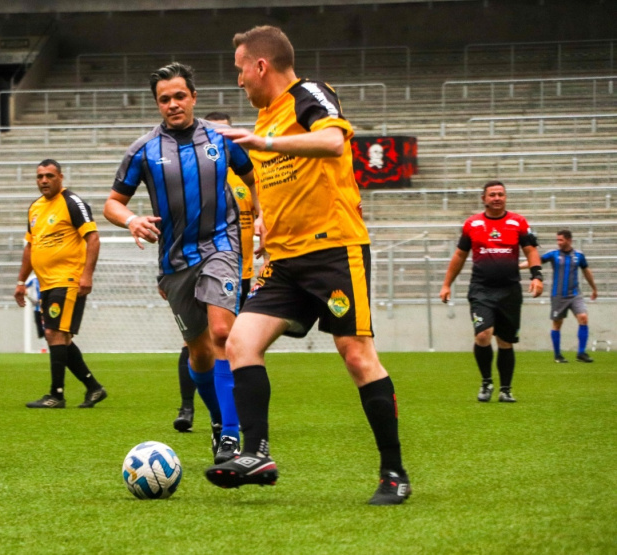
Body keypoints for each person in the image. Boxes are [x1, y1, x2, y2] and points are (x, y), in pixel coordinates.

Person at [203, 25, 411, 506]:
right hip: (284, 262)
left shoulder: (308, 95)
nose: (238, 82)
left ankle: (394, 472)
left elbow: (335, 144)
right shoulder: (264, 119)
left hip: (334, 250)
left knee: (356, 356)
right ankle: (256, 454)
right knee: (239, 342)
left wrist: (264, 144)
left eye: (239, 71)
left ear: (261, 66)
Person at [104, 62, 259, 463]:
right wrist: (132, 219)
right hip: (174, 261)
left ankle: (230, 434)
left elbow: (255, 177)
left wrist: (262, 219)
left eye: (179, 96)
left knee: (223, 333)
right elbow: (112, 203)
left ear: (193, 96)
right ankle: (216, 420)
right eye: (164, 99)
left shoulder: (222, 138)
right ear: (158, 104)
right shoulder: (143, 150)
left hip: (221, 247)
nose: (173, 104)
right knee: (199, 352)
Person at [171, 111, 259, 435]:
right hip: (200, 267)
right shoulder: (194, 176)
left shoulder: (247, 179)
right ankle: (189, 406)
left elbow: (262, 213)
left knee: (232, 343)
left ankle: (233, 417)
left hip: (243, 271)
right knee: (196, 343)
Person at [439, 181, 543, 403]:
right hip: (481, 290)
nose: (497, 198)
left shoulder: (519, 222)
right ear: (483, 199)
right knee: (483, 335)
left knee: (505, 341)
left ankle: (505, 389)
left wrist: (537, 276)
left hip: (509, 291)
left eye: (501, 194)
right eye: (492, 195)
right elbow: (459, 256)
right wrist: (447, 284)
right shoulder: (472, 224)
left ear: (506, 197)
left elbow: (531, 250)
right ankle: (486, 381)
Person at [15, 159, 107, 409]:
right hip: (46, 283)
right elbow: (30, 247)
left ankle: (56, 394)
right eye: (39, 176)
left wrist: (87, 275)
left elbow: (94, 238)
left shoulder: (72, 202)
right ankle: (94, 388)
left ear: (60, 177)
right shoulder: (34, 208)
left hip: (68, 279)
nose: (43, 180)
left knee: (54, 333)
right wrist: (21, 281)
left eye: (49, 176)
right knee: (60, 337)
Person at [536, 229, 597, 363]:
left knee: (583, 317)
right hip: (558, 295)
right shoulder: (553, 254)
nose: (558, 242)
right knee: (557, 324)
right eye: (557, 240)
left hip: (575, 294)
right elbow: (536, 262)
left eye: (561, 240)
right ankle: (558, 355)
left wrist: (594, 288)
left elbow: (586, 271)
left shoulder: (579, 255)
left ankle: (581, 353)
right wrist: (516, 267)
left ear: (569, 240)